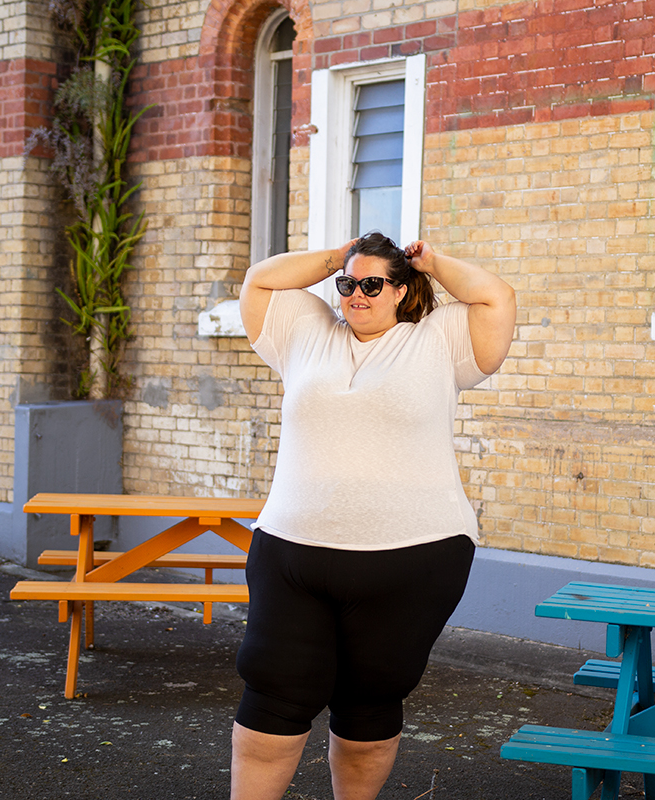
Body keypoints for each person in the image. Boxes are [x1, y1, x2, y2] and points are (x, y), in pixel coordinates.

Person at [232, 231, 516, 800]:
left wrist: (432, 262)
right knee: (272, 695)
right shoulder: (305, 333)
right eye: (347, 285)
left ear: (402, 290)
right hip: (293, 553)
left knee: (369, 703)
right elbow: (260, 280)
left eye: (371, 284)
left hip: (415, 559)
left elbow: (495, 298)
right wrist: (338, 256)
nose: (356, 295)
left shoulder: (441, 340)